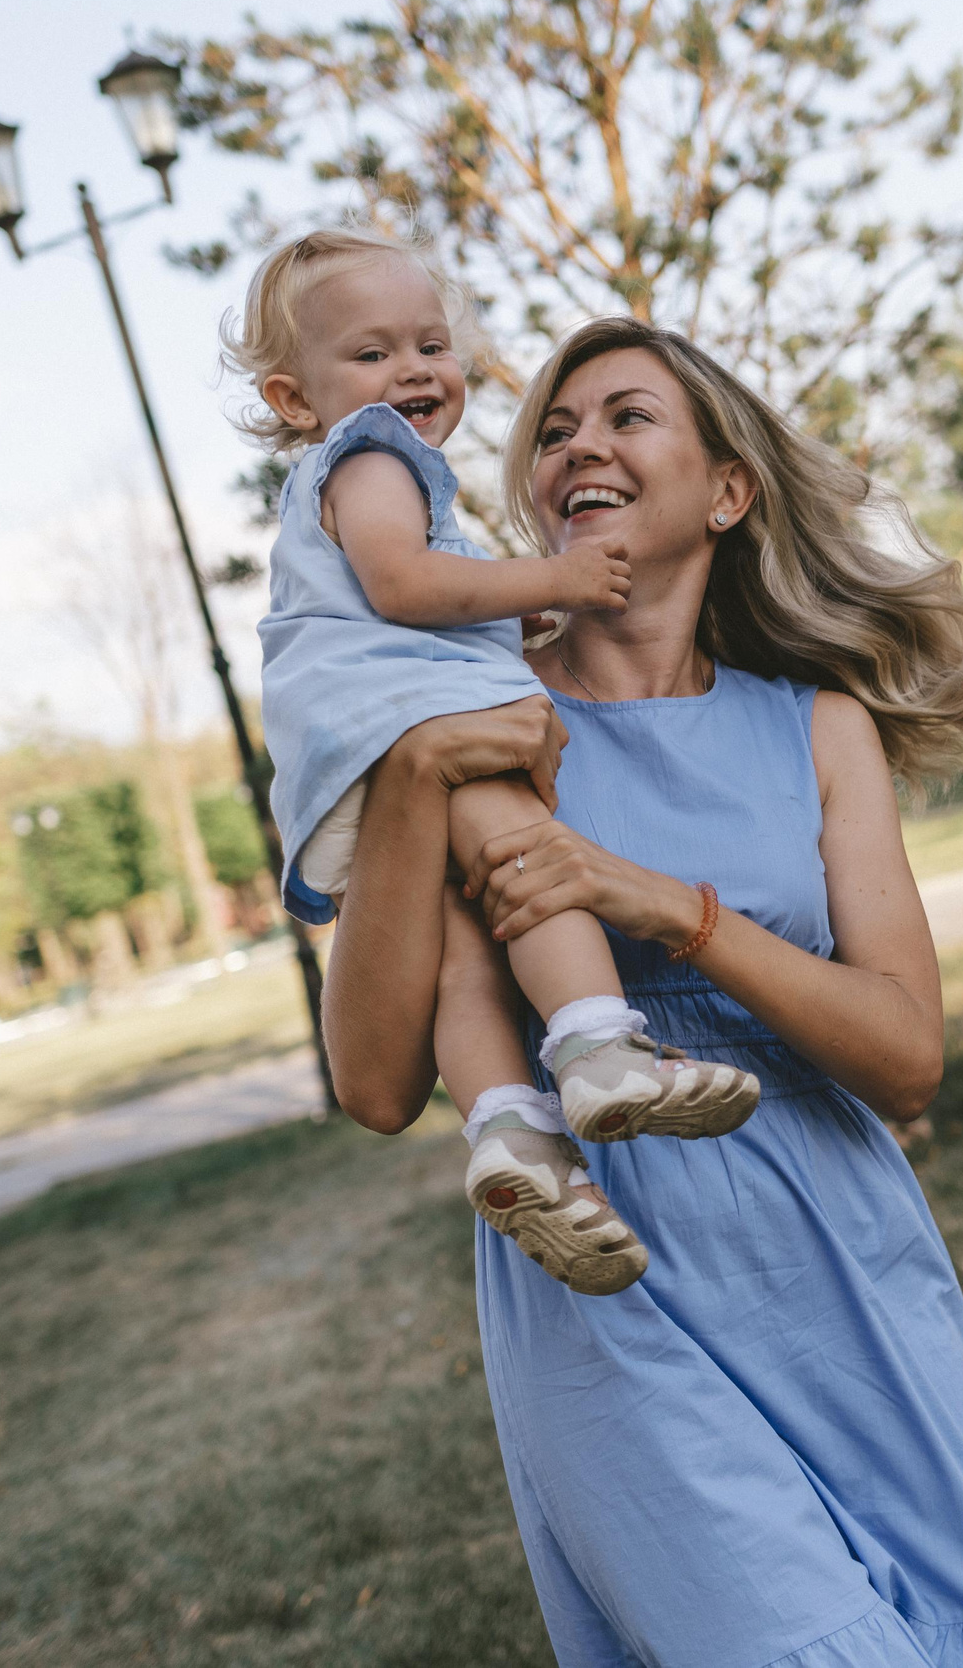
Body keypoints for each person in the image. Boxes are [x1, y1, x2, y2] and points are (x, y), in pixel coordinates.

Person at [324, 316, 963, 1667]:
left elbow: (908, 1059)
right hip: (603, 1277)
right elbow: (378, 1084)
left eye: (626, 416)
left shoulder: (817, 725)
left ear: (727, 491)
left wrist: (663, 905)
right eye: (554, 430)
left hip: (840, 1266)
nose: (580, 446)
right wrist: (407, 774)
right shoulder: (467, 726)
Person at [232, 230, 761, 1296]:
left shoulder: (335, 478)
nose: (414, 372)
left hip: (358, 749)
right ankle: (598, 1046)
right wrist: (549, 580)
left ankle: (511, 1133)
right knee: (531, 861)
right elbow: (402, 587)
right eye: (373, 354)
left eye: (432, 343)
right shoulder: (377, 455)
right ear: (296, 398)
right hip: (399, 730)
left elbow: (415, 609)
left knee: (467, 950)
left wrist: (505, 629)